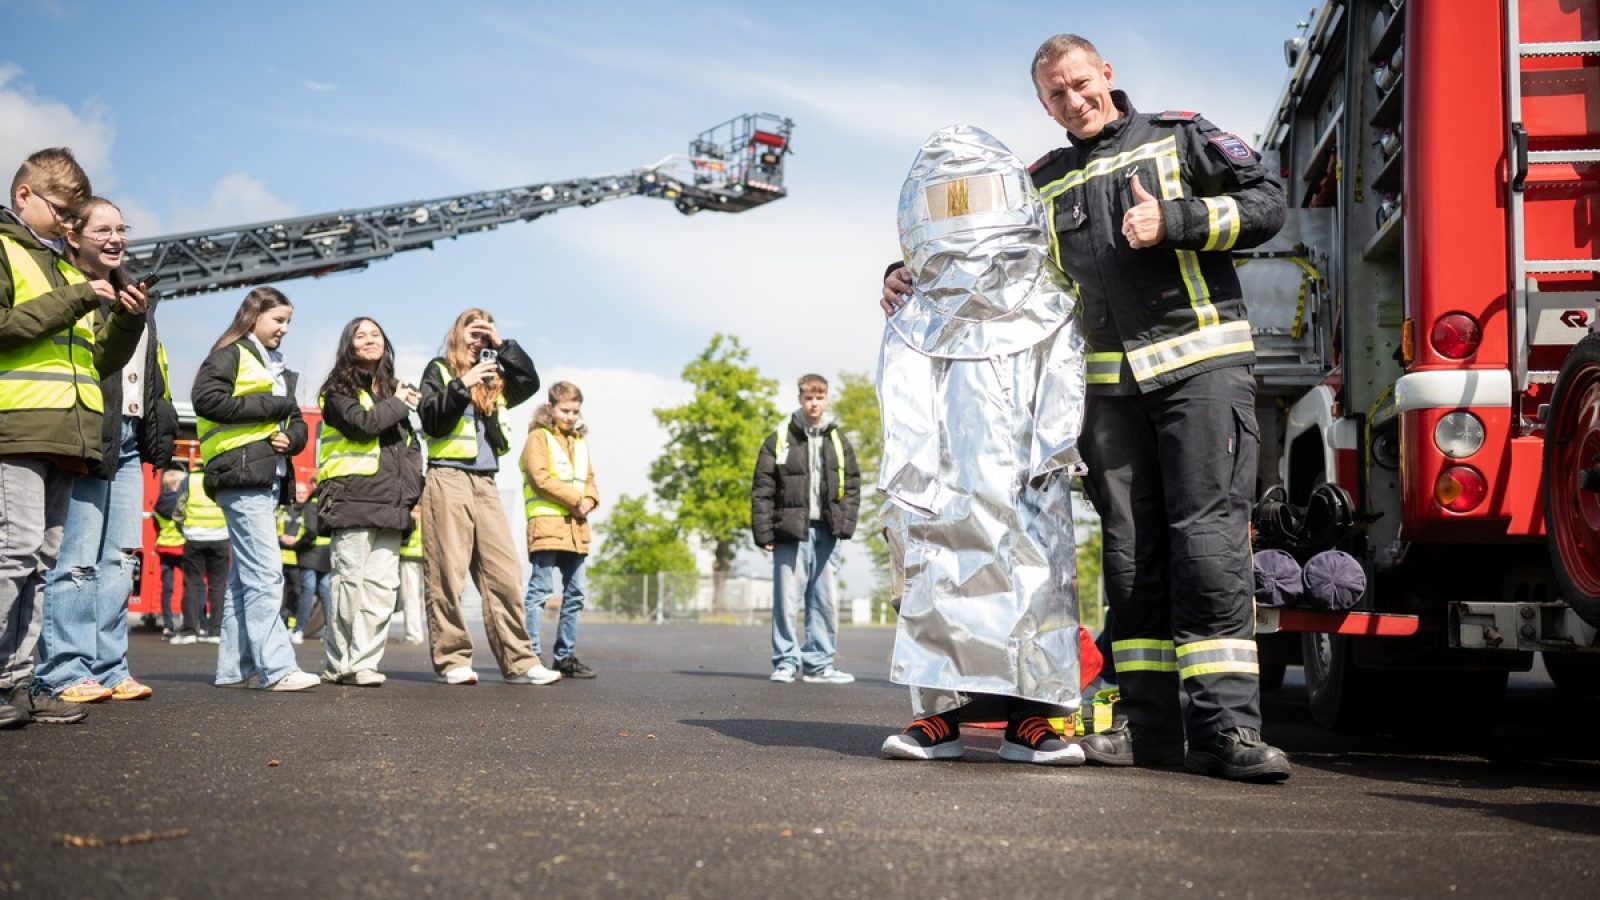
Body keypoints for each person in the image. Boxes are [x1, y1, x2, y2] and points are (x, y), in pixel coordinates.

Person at [882, 35, 1290, 781]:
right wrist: (907, 274)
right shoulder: (1038, 182)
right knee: (1130, 561)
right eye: (1056, 94)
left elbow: (1269, 205)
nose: (1074, 101)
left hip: (1200, 372)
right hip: (1108, 395)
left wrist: (1178, 221)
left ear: (1106, 73)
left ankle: (1228, 729)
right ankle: (1146, 726)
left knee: (1207, 551)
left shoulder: (1178, 137)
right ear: (1044, 104)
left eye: (1080, 83)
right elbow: (985, 257)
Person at [876, 125, 1087, 766]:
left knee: (1037, 582)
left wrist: (1053, 452)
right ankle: (940, 717)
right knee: (938, 580)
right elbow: (902, 388)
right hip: (945, 474)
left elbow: (1063, 372)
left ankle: (1033, 721)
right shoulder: (917, 307)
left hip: (1027, 473)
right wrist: (912, 474)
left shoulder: (1048, 295)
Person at [2, 149, 145, 728]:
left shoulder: (64, 271)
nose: (69, 223)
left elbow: (97, 360)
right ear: (23, 195)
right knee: (13, 554)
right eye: (62, 211)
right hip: (16, 429)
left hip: (65, 434)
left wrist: (128, 319)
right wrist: (82, 294)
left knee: (41, 563)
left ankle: (17, 683)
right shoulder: (9, 252)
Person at [36, 197, 177, 705]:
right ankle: (63, 670)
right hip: (89, 432)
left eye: (122, 228)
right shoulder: (66, 288)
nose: (117, 238)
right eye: (104, 229)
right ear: (73, 236)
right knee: (76, 560)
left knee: (119, 560)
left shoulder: (135, 294)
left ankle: (110, 667)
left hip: (130, 438)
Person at [417, 308, 557, 685]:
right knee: (448, 572)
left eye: (485, 334)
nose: (478, 340)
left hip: (485, 482)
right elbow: (432, 419)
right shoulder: (439, 370)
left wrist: (502, 344)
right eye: (473, 332)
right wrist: (463, 383)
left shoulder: (495, 379)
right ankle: (453, 659)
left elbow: (529, 381)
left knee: (505, 574)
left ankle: (520, 661)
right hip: (447, 476)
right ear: (457, 334)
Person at [191, 286, 318, 692]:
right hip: (241, 473)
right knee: (265, 572)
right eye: (278, 320)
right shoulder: (230, 354)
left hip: (262, 474)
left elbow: (296, 421)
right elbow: (206, 400)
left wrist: (292, 439)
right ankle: (276, 668)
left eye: (288, 322)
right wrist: (275, 406)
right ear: (254, 316)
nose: (285, 329)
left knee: (243, 579)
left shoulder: (274, 365)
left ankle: (236, 668)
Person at [313, 316, 424, 686]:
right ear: (349, 345)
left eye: (376, 334)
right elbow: (362, 425)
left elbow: (410, 448)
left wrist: (413, 491)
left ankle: (363, 664)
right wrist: (399, 403)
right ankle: (338, 664)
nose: (369, 339)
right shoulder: (337, 390)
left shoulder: (393, 392)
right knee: (349, 584)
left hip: (391, 505)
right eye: (361, 335)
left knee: (381, 590)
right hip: (352, 499)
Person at [750, 373, 861, 685]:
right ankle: (785, 661)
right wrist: (764, 532)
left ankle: (819, 665)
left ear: (826, 399)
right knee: (786, 599)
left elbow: (853, 485)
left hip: (828, 531)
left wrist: (846, 524)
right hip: (789, 531)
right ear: (800, 399)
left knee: (824, 600)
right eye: (808, 398)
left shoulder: (838, 440)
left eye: (819, 397)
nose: (814, 404)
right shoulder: (780, 439)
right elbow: (763, 487)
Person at [520, 381, 600, 679]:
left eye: (575, 411)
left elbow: (589, 479)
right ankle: (531, 656)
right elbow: (540, 478)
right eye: (565, 410)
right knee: (540, 591)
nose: (570, 416)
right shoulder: (538, 438)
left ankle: (565, 657)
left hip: (575, 528)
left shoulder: (579, 442)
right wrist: (577, 501)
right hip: (547, 525)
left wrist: (590, 500)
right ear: (550, 408)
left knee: (575, 594)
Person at [171, 465, 228, 646]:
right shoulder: (224, 477)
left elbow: (179, 508)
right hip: (220, 537)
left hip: (194, 538)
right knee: (218, 586)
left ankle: (189, 631)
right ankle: (216, 632)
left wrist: (184, 529)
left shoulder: (190, 480)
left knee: (192, 584)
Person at [290, 481, 332, 644]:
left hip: (309, 554)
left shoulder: (310, 505)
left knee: (307, 592)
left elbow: (310, 531)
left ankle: (299, 629)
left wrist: (296, 545)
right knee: (326, 592)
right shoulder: (328, 503)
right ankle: (329, 631)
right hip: (325, 554)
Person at [152, 465, 188, 638]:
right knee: (190, 586)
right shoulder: (183, 503)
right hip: (182, 548)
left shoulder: (158, 503)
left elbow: (156, 527)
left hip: (164, 548)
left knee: (167, 588)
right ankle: (190, 622)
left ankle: (167, 626)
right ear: (177, 483)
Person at [394, 506, 425, 644]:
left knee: (410, 597)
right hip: (425, 557)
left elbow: (403, 537)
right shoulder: (428, 515)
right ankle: (423, 631)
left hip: (409, 557)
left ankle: (414, 634)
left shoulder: (410, 515)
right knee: (423, 597)